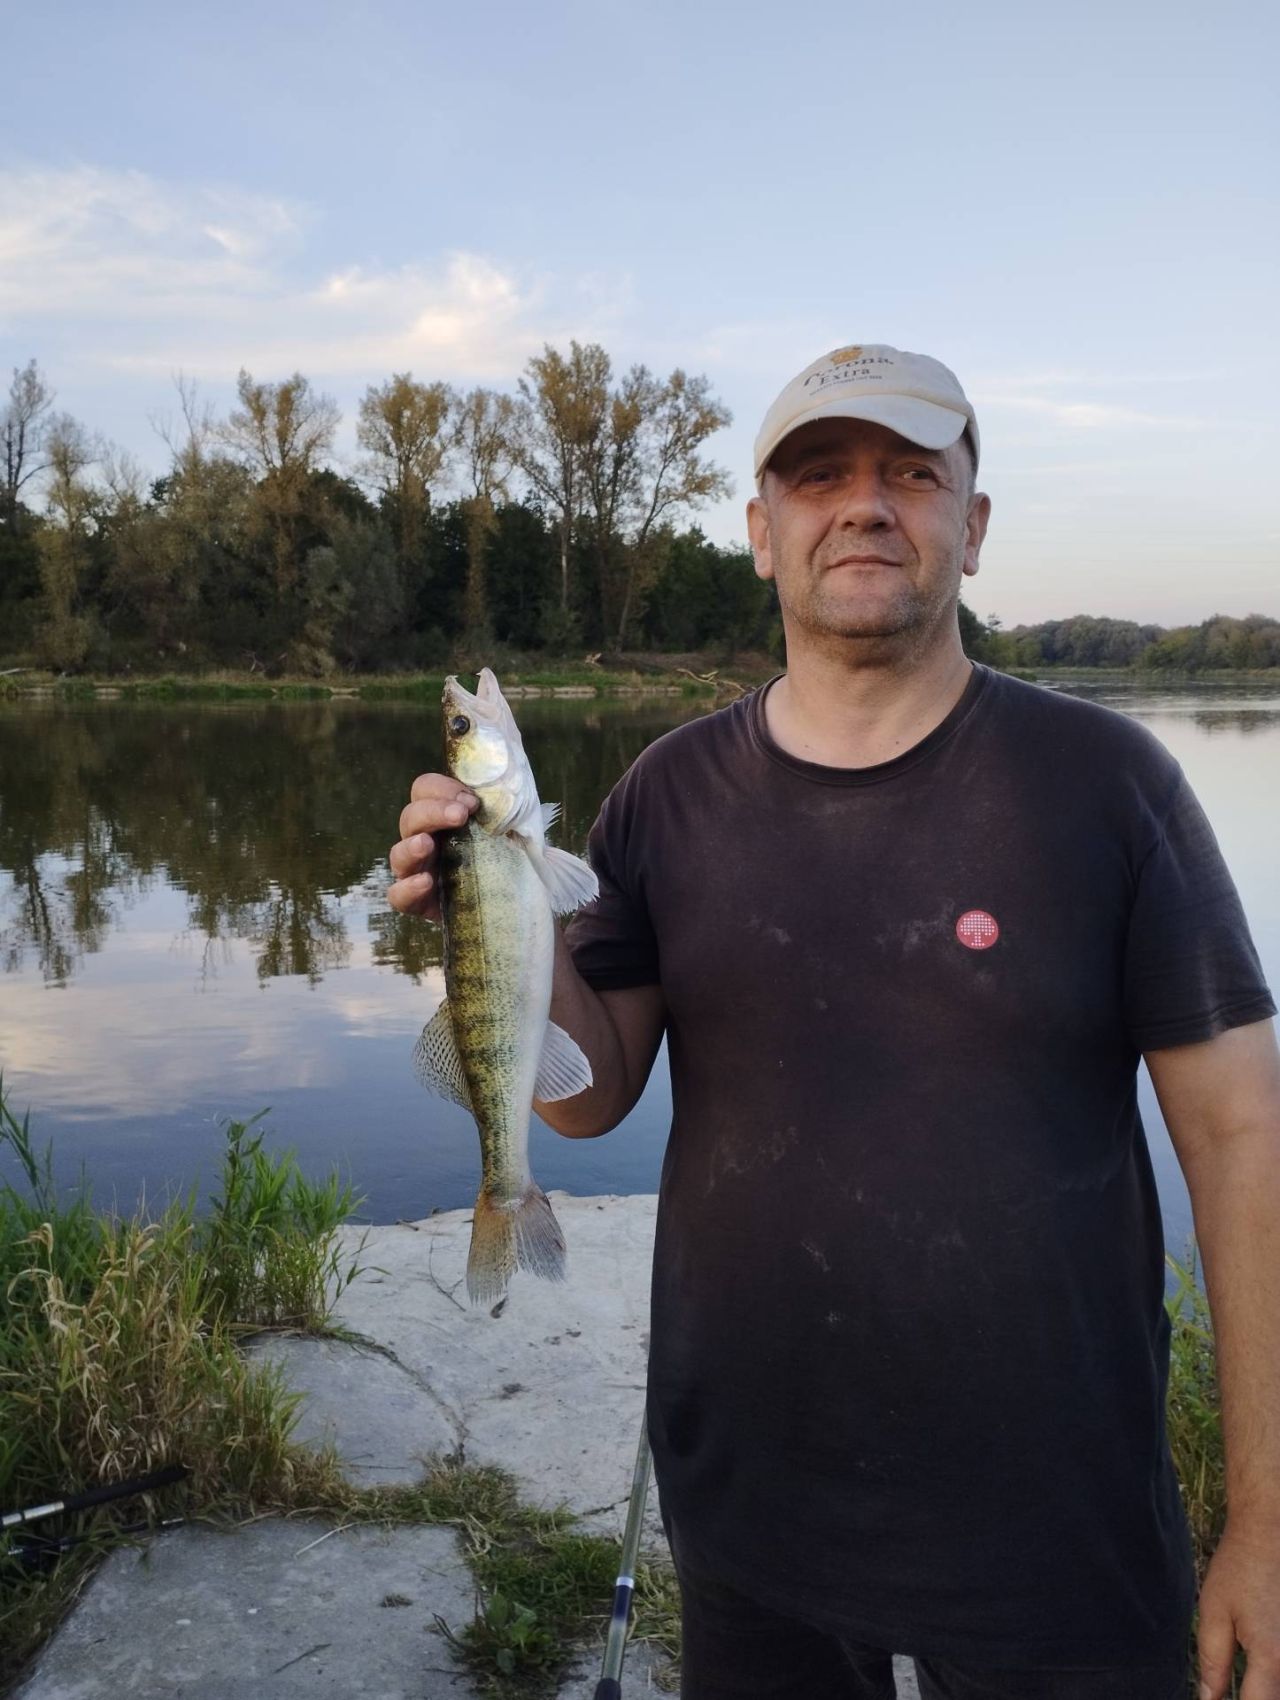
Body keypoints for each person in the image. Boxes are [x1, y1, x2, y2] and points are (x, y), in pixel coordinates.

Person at [387, 344, 1280, 1700]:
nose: (864, 504)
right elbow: (586, 1094)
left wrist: (1266, 1514)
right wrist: (481, 929)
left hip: (1061, 1526)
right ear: (762, 532)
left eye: (912, 473)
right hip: (753, 1514)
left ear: (974, 524)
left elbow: (1241, 1139)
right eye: (818, 476)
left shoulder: (1112, 783)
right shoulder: (664, 794)